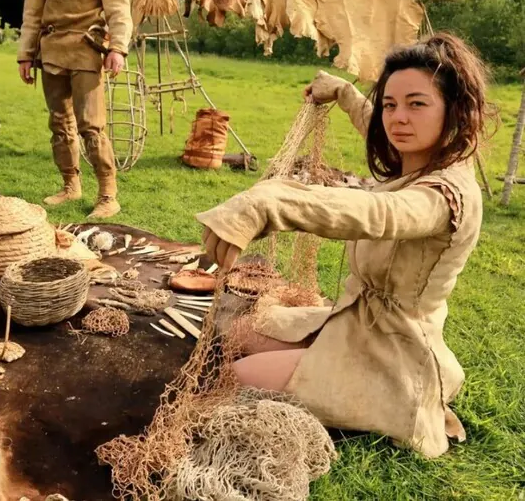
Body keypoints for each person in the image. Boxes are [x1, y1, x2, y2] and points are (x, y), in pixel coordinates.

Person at [196, 32, 496, 458]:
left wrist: (272, 201)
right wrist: (342, 92)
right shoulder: (422, 161)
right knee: (238, 335)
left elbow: (377, 214)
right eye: (391, 104)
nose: (399, 118)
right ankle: (320, 360)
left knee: (237, 376)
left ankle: (390, 403)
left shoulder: (444, 196)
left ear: (455, 111)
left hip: (393, 351)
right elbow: (377, 121)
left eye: (417, 103)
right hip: (354, 322)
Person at [17, 0, 132, 219]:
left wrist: (118, 48)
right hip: (51, 51)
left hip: (86, 48)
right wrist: (26, 53)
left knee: (90, 125)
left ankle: (108, 194)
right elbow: (32, 12)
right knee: (59, 122)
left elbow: (117, 6)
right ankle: (70, 185)